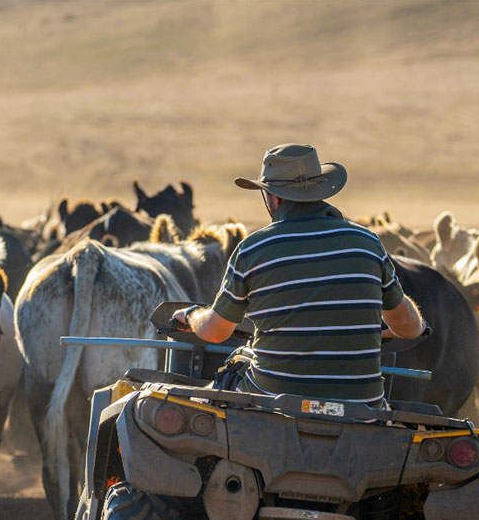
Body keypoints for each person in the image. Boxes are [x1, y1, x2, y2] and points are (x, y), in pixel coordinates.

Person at [172, 144, 426, 406]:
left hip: (272, 402)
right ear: (320, 190)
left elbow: (215, 332)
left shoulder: (253, 249)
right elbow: (408, 327)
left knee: (210, 391)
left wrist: (192, 315)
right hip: (364, 407)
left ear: (274, 198)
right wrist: (406, 326)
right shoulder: (367, 243)